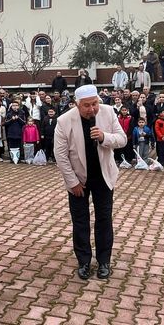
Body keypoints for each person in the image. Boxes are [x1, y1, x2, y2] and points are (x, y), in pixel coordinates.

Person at [53, 85, 126, 280]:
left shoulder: (109, 112)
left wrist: (104, 137)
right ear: (77, 104)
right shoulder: (64, 121)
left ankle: (104, 261)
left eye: (94, 103)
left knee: (104, 219)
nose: (92, 108)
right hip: (78, 179)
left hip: (103, 177)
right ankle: (84, 261)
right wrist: (72, 182)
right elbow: (60, 156)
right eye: (86, 105)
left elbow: (122, 139)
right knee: (80, 221)